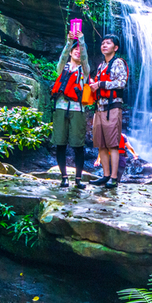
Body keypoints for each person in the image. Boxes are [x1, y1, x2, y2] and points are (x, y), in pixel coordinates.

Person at [49, 27, 90, 188]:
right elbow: (62, 57)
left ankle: (78, 179)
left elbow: (85, 59)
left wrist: (81, 41)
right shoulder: (63, 68)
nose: (78, 52)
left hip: (77, 110)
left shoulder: (84, 71)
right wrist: (69, 42)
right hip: (60, 108)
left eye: (80, 50)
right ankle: (64, 177)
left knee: (78, 145)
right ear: (71, 52)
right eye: (75, 50)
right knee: (60, 144)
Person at [88, 34, 128, 189]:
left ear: (115, 48)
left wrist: (100, 84)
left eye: (108, 43)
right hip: (99, 107)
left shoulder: (118, 63)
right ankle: (105, 175)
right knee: (101, 144)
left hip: (112, 107)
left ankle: (113, 177)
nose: (104, 45)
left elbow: (121, 83)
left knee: (112, 144)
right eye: (102, 43)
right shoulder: (101, 66)